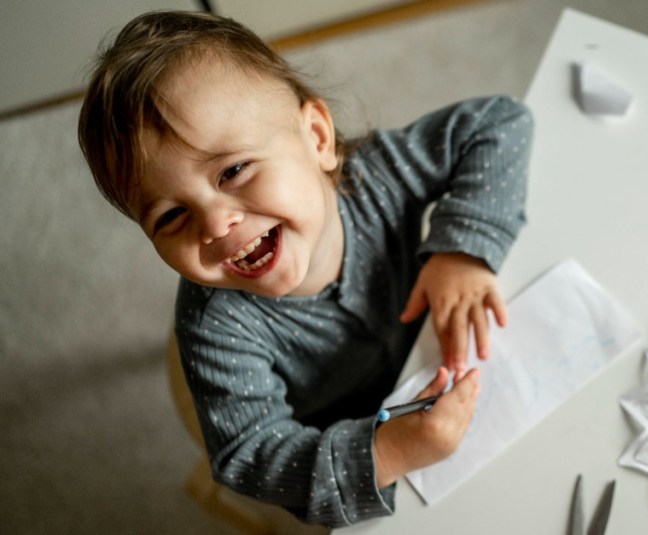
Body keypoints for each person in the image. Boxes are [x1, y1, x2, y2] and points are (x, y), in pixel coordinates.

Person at [77, 11, 531, 528]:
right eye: (172, 215)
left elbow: (498, 124)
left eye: (233, 170)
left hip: (442, 356)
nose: (216, 225)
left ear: (316, 138)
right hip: (348, 436)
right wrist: (387, 454)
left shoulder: (382, 174)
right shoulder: (216, 328)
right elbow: (247, 456)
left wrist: (463, 252)